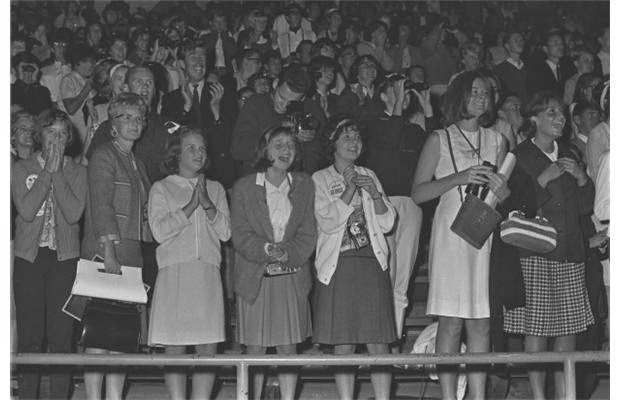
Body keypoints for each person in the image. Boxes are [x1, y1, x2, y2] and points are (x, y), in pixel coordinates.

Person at [411, 71, 510, 400]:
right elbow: (418, 193)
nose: (482, 98)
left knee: (481, 322)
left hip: (482, 232)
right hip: (450, 234)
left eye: (486, 93)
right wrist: (459, 177)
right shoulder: (439, 139)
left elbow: (505, 196)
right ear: (459, 96)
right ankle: (449, 396)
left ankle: (478, 396)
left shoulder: (497, 140)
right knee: (451, 322)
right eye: (475, 92)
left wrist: (503, 190)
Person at [503, 91, 595, 400]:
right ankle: (539, 395)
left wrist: (582, 179)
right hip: (536, 250)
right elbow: (513, 204)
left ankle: (565, 395)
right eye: (552, 113)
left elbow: (586, 207)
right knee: (538, 329)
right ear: (534, 118)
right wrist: (543, 178)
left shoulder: (570, 152)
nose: (560, 118)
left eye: (561, 113)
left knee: (568, 328)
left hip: (570, 251)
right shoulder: (519, 155)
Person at [312, 117, 397, 400]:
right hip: (339, 265)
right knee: (343, 342)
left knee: (378, 340)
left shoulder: (369, 174)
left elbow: (387, 223)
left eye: (357, 137)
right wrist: (349, 190)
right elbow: (326, 222)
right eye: (346, 136)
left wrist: (375, 195)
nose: (353, 142)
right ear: (332, 143)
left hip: (371, 263)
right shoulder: (320, 179)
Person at [231, 126, 317, 400]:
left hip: (291, 275)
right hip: (255, 277)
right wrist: (267, 249)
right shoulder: (244, 187)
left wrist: (287, 252)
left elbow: (308, 232)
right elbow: (240, 234)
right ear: (264, 149)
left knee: (288, 347)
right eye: (278, 144)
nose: (286, 150)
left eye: (291, 145)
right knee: (255, 348)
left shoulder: (305, 185)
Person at [148, 126, 231, 399]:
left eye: (202, 148)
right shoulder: (161, 188)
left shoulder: (216, 188)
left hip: (206, 273)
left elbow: (225, 232)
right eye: (191, 148)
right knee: (175, 345)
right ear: (177, 154)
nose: (199, 153)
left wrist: (207, 204)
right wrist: (190, 206)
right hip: (175, 274)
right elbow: (159, 232)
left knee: (207, 345)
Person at [81, 93, 153, 400]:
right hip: (107, 252)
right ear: (113, 124)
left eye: (139, 118)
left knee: (122, 335)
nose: (135, 123)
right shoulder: (103, 155)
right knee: (98, 333)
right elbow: (102, 206)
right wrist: (108, 254)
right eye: (127, 117)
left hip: (132, 254)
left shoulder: (138, 162)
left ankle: (114, 397)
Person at [12, 109, 87, 400]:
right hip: (29, 259)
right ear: (39, 136)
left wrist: (57, 173)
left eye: (62, 133)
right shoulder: (21, 168)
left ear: (69, 139)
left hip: (64, 260)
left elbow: (74, 213)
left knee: (62, 338)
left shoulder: (78, 171)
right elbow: (27, 210)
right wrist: (46, 173)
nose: (56, 139)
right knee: (29, 337)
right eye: (50, 132)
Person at [363, 76, 427, 344]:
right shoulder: (373, 124)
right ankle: (377, 338)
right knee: (385, 272)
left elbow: (431, 155)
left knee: (403, 277)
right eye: (395, 89)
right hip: (383, 201)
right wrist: (400, 104)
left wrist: (428, 112)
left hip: (410, 203)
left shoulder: (414, 129)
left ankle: (393, 341)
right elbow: (389, 140)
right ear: (382, 95)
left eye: (405, 90)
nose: (403, 93)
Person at [161, 40, 237, 189]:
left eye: (202, 57)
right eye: (193, 57)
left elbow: (232, 137)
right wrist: (186, 109)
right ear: (182, 64)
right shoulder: (171, 99)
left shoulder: (222, 92)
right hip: (184, 175)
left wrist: (216, 112)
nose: (199, 62)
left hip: (218, 175)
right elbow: (170, 134)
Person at [231, 64, 324, 176]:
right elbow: (239, 150)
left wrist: (307, 141)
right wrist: (277, 130)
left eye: (291, 103)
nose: (283, 105)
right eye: (281, 97)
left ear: (303, 98)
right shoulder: (256, 104)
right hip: (259, 177)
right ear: (275, 84)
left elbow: (316, 156)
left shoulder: (309, 109)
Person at [58, 43, 97, 155]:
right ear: (77, 62)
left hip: (89, 136)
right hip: (76, 139)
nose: (93, 65)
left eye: (93, 62)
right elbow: (71, 108)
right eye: (89, 62)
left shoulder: (87, 81)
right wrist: (87, 88)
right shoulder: (68, 80)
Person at [336, 54, 384, 121]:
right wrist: (361, 102)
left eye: (373, 65)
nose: (371, 68)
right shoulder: (350, 93)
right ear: (356, 71)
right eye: (365, 66)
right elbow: (343, 117)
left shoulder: (380, 92)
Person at [526, 31, 565, 99]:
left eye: (561, 43)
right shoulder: (537, 71)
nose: (560, 47)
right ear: (545, 49)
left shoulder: (567, 68)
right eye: (555, 44)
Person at [493, 30, 527, 104]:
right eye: (516, 40)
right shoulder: (499, 70)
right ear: (507, 46)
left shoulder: (529, 68)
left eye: (521, 40)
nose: (520, 43)